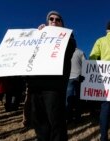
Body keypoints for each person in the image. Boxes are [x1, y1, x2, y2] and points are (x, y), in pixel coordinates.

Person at [27, 10, 76, 141]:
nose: (54, 21)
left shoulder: (69, 39)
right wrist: (39, 35)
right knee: (40, 123)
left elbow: (68, 51)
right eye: (51, 19)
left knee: (56, 124)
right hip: (36, 86)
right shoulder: (40, 36)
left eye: (57, 19)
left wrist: (53, 35)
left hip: (53, 88)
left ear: (62, 24)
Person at [65, 47, 86, 123]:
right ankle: (78, 117)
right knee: (78, 99)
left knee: (68, 98)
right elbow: (85, 64)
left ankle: (68, 118)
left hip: (69, 78)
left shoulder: (65, 52)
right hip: (78, 77)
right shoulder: (81, 52)